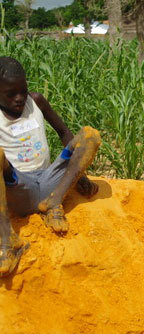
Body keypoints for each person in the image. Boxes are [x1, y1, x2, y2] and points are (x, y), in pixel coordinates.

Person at [0, 55, 100, 276]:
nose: (19, 98)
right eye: (10, 94)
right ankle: (7, 242)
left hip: (49, 181)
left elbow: (64, 133)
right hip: (18, 187)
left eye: (22, 90)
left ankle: (53, 204)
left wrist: (78, 175)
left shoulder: (36, 101)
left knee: (90, 136)